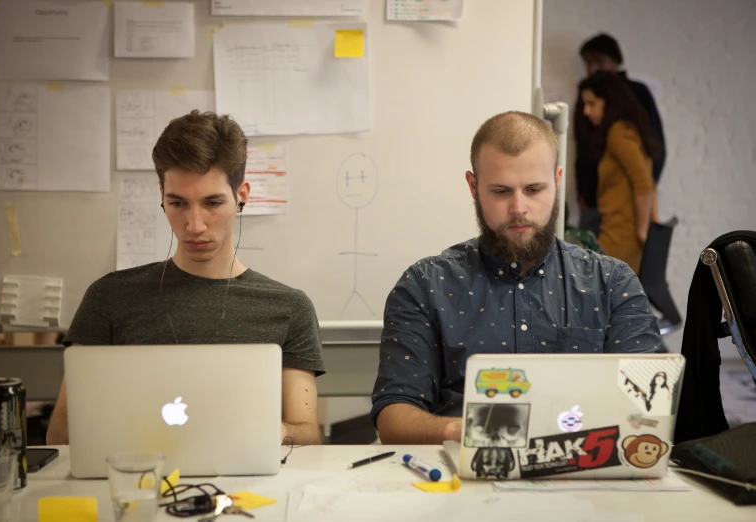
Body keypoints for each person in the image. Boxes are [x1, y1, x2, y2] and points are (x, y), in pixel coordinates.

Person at [371, 111, 662, 445]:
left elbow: (648, 406)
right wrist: (463, 430)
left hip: (586, 474)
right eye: (500, 191)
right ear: (473, 186)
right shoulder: (425, 285)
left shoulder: (612, 283)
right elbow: (394, 416)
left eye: (534, 189)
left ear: (557, 180)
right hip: (460, 478)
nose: (519, 208)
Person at [46, 111, 325, 445]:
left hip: (249, 491)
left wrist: (277, 431)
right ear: (161, 194)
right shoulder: (109, 298)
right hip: (135, 484)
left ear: (242, 196)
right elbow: (61, 434)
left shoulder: (289, 308)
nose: (194, 225)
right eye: (177, 203)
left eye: (212, 202)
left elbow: (308, 435)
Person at [574, 33, 665, 233]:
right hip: (593, 197)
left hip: (626, 204)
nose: (592, 69)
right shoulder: (585, 94)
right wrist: (582, 192)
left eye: (599, 62)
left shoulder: (625, 120)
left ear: (616, 61)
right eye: (588, 63)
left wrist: (646, 196)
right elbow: (581, 147)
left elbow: (654, 151)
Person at [579, 72, 663, 273]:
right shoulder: (627, 130)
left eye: (591, 103)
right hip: (619, 234)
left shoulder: (618, 133)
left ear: (609, 102)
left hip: (620, 237)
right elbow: (648, 182)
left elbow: (643, 184)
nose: (586, 111)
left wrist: (643, 232)